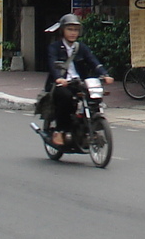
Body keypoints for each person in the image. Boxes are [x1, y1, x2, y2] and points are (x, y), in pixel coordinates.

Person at [41, 14, 111, 150]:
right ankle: (59, 131)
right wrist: (59, 78)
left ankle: (89, 128)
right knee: (66, 98)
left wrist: (104, 74)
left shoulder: (81, 48)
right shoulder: (54, 47)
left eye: (75, 30)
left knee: (94, 98)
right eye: (70, 29)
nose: (73, 33)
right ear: (62, 31)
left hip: (79, 83)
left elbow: (93, 61)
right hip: (60, 85)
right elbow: (52, 64)